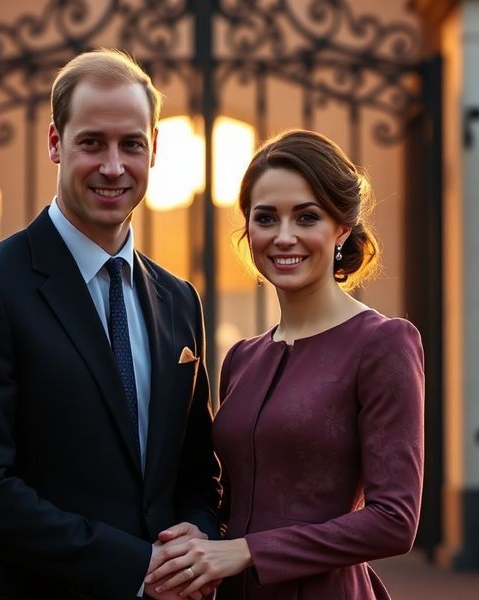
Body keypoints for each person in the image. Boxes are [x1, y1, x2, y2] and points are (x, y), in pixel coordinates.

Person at [0, 49, 221, 599]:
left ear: (154, 149)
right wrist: (137, 568)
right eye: (91, 143)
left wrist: (194, 544)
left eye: (131, 144)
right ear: (55, 143)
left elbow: (196, 473)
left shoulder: (179, 300)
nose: (113, 166)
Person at [145, 129, 425, 599]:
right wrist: (205, 538)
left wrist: (250, 550)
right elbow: (232, 500)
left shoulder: (383, 343)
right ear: (248, 230)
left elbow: (395, 521)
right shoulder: (243, 357)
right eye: (266, 218)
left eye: (307, 216)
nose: (284, 236)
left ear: (341, 228)